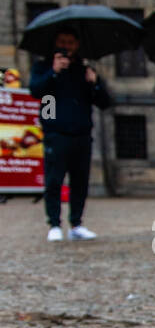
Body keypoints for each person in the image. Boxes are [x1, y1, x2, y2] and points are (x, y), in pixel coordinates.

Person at [29, 27, 112, 242]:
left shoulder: (84, 69)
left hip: (81, 133)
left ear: (77, 45)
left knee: (80, 181)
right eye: (62, 42)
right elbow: (36, 91)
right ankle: (54, 224)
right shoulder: (43, 66)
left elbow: (104, 102)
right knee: (54, 180)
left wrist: (94, 83)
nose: (66, 46)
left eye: (70, 42)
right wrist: (54, 72)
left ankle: (76, 223)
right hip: (56, 132)